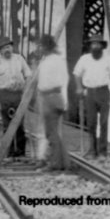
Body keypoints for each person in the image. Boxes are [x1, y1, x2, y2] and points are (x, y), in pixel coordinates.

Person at [72, 33, 110, 157]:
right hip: (90, 92)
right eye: (93, 44)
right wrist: (79, 87)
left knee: (104, 122)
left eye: (98, 44)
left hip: (104, 92)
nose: (95, 46)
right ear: (90, 46)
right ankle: (92, 150)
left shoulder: (109, 59)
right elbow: (77, 74)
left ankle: (103, 151)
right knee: (91, 123)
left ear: (102, 46)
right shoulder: (84, 59)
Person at [0, 35, 31, 158]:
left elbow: (28, 75)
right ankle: (10, 153)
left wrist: (26, 92)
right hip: (4, 95)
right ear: (0, 51)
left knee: (20, 125)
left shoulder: (19, 59)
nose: (7, 50)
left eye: (9, 47)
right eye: (4, 48)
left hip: (18, 95)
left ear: (12, 47)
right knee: (8, 126)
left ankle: (21, 153)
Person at [34, 33, 70, 171]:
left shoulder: (51, 61)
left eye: (41, 46)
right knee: (52, 131)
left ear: (46, 47)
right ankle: (62, 162)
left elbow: (63, 81)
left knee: (50, 132)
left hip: (50, 97)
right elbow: (65, 80)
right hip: (53, 96)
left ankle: (56, 163)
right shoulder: (55, 60)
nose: (39, 49)